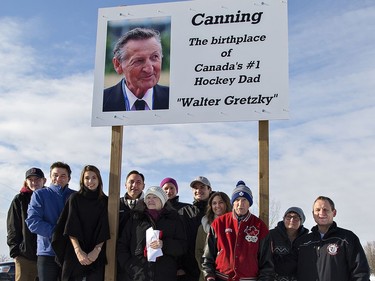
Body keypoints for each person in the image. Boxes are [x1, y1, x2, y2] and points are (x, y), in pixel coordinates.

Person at [202, 180, 274, 281]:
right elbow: (208, 256)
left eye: (244, 200)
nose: (240, 204)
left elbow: (267, 262)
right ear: (232, 203)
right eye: (237, 200)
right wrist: (209, 275)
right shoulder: (219, 223)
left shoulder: (260, 226)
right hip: (221, 278)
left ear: (250, 203)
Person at [52, 165, 110, 281]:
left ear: (99, 179)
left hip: (96, 253)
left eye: (94, 178)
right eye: (87, 178)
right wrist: (78, 251)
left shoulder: (105, 201)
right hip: (75, 253)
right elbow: (70, 226)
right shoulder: (75, 198)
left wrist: (96, 250)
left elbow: (105, 227)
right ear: (82, 180)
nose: (90, 181)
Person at [117, 186, 187, 281]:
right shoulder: (136, 218)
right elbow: (122, 244)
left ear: (162, 200)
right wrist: (129, 266)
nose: (151, 200)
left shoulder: (174, 219)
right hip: (138, 275)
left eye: (155, 197)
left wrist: (164, 244)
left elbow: (182, 246)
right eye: (148, 197)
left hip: (165, 275)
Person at [295, 196, 370, 281]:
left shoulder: (347, 238)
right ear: (313, 214)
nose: (321, 213)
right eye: (318, 210)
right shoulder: (302, 242)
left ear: (334, 213)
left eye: (325, 210)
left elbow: (360, 273)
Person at [26, 161, 76, 281]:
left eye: (63, 175)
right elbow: (33, 221)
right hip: (47, 252)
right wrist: (57, 233)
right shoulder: (40, 195)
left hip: (70, 253)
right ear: (50, 177)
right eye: (55, 175)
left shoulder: (75, 196)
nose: (58, 178)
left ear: (68, 178)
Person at [103, 27, 169, 112]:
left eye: (155, 57)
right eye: (139, 61)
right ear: (118, 65)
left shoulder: (173, 99)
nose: (149, 69)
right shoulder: (102, 102)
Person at [7, 167, 46, 281]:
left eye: (37, 179)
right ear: (26, 181)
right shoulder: (19, 199)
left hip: (46, 256)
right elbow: (12, 226)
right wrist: (15, 252)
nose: (34, 182)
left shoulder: (49, 197)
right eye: (30, 179)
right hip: (25, 256)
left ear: (44, 180)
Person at [177, 176, 214, 281]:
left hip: (214, 268)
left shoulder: (218, 210)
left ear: (209, 189)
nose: (198, 190)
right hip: (189, 269)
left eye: (202, 187)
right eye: (195, 188)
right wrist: (179, 265)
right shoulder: (185, 212)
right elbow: (179, 239)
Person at [195, 192, 232, 281]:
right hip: (208, 276)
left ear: (227, 204)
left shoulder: (234, 225)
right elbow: (199, 251)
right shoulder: (203, 227)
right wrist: (208, 273)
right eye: (214, 203)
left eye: (221, 202)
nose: (217, 206)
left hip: (228, 275)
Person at [269, 207, 308, 281]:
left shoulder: (306, 240)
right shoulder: (272, 235)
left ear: (301, 221)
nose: (292, 220)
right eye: (288, 217)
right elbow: (266, 260)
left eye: (296, 217)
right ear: (284, 219)